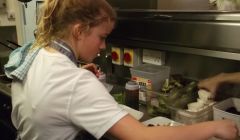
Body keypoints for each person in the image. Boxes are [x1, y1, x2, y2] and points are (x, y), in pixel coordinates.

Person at [4, 0, 238, 140]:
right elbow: (142, 136)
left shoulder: (34, 53)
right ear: (78, 30)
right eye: (102, 37)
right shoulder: (73, 81)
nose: (103, 46)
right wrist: (214, 126)